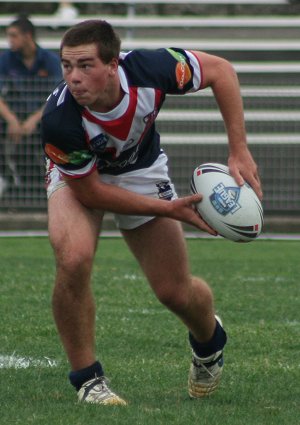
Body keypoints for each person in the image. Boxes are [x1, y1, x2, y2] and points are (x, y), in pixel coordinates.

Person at [41, 19, 262, 405]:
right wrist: (168, 208)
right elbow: (91, 193)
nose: (74, 78)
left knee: (174, 292)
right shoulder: (60, 120)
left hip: (141, 169)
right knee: (73, 257)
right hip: (81, 178)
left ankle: (210, 342)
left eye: (86, 65)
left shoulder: (152, 69)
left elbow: (221, 71)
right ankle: (88, 379)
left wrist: (238, 149)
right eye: (67, 66)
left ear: (113, 65)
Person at [0, 16, 62, 194]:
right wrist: (12, 120)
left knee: (32, 150)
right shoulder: (6, 59)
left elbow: (57, 96)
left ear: (28, 36)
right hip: (15, 115)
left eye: (14, 36)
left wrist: (34, 120)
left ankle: (37, 190)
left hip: (43, 116)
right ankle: (7, 177)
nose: (9, 40)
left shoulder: (49, 60)